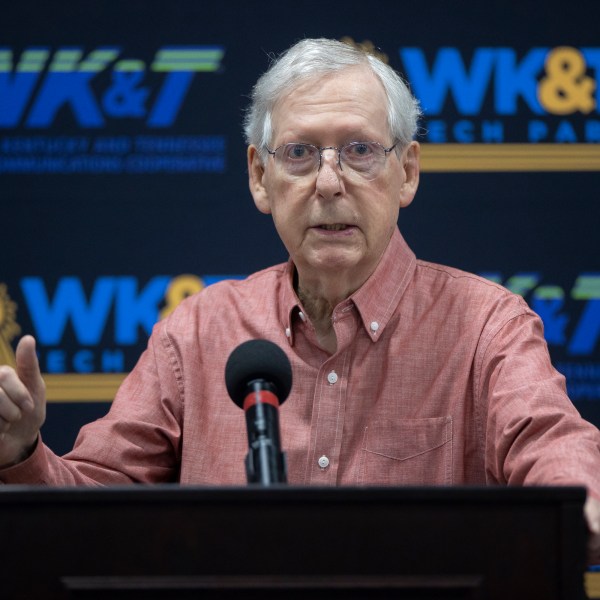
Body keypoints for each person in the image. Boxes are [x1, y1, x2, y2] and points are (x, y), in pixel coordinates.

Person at [0, 38, 599, 561]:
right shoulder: (201, 331)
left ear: (408, 173)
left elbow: (552, 446)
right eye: (300, 153)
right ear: (260, 177)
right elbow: (92, 506)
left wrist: (587, 507)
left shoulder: (486, 326)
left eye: (361, 150)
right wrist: (19, 453)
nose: (330, 182)